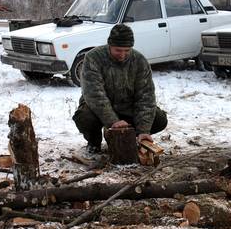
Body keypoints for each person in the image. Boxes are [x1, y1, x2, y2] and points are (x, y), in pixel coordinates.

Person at [72, 24, 168, 153]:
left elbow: (146, 97)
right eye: (118, 50)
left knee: (159, 119)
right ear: (109, 45)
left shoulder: (139, 61)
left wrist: (144, 130)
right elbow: (94, 94)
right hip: (98, 108)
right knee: (84, 117)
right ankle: (94, 143)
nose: (122, 55)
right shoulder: (93, 58)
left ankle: (127, 137)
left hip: (128, 107)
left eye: (127, 50)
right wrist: (112, 121)